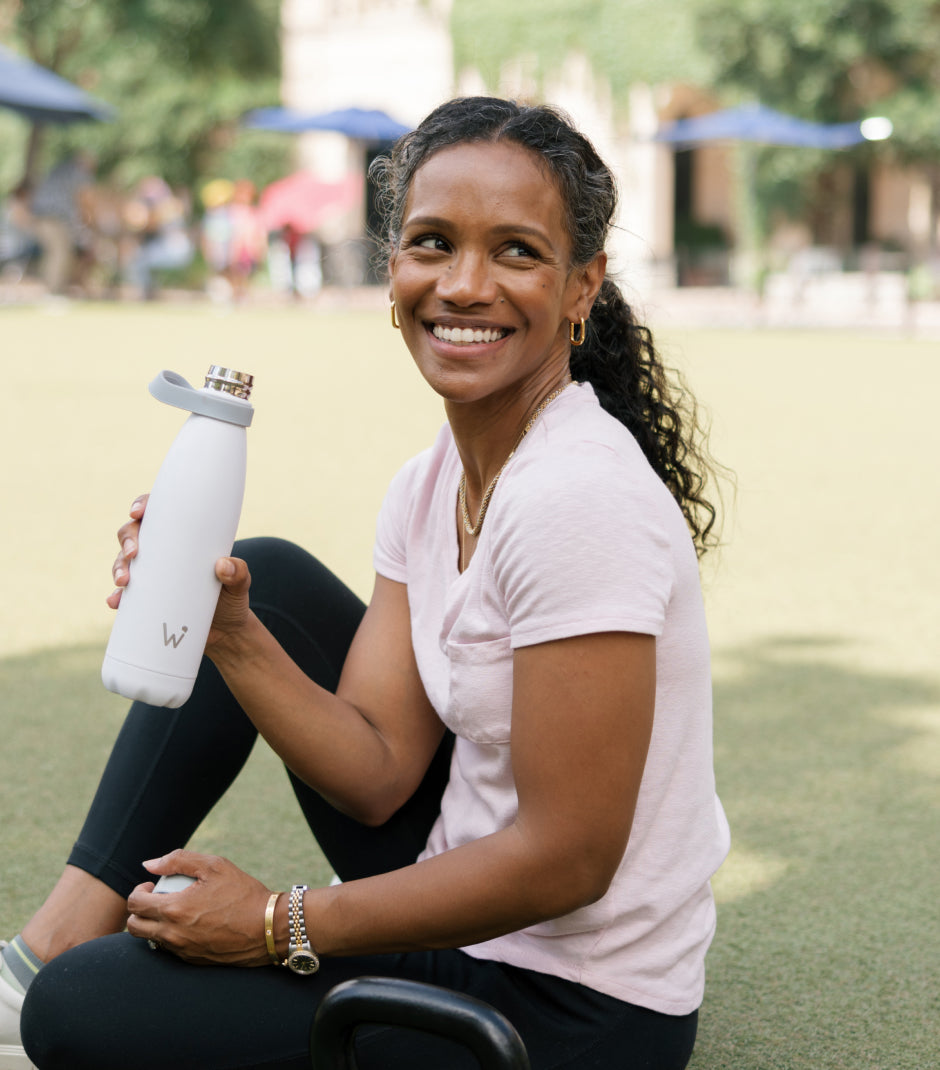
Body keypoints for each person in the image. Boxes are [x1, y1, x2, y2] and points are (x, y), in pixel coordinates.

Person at [3, 96, 730, 1070]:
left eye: (515, 251)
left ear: (579, 286)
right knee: (273, 584)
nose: (464, 284)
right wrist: (226, 630)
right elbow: (378, 772)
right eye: (433, 242)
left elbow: (569, 857)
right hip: (464, 896)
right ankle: (36, 952)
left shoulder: (577, 498)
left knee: (84, 1009)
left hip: (573, 1008)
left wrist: (276, 920)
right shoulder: (430, 482)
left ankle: (41, 988)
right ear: (393, 270)